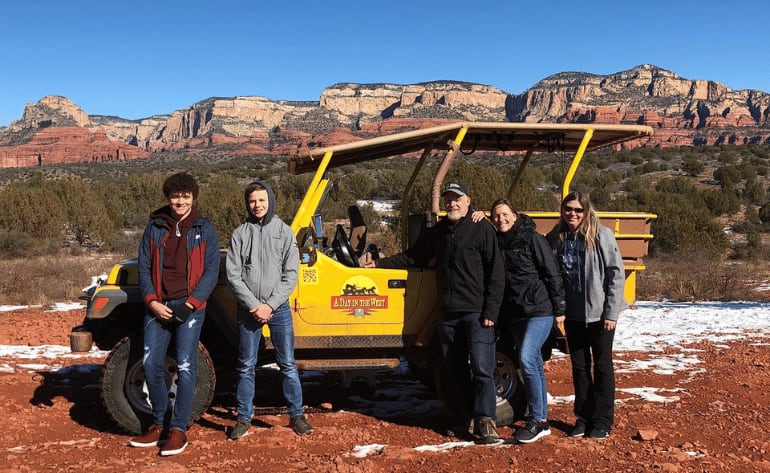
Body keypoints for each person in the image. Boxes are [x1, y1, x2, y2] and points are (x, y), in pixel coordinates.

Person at [366, 182, 505, 445]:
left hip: (476, 313)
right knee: (454, 370)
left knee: (482, 368)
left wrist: (491, 311)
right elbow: (414, 257)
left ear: (468, 201)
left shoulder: (482, 228)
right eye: (448, 200)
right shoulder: (439, 232)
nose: (452, 203)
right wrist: (380, 264)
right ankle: (464, 417)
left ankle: (486, 421)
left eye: (457, 199)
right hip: (448, 313)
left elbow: (496, 273)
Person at [131, 172, 220, 456]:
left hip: (190, 306)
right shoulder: (155, 227)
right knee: (151, 364)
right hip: (158, 304)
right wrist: (151, 301)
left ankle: (178, 430)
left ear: (193, 197)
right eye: (175, 195)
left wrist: (191, 303)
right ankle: (159, 423)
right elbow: (144, 267)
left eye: (185, 196)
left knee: (184, 365)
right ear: (168, 197)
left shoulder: (204, 228)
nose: (180, 201)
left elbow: (211, 271)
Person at [226, 179, 313, 440]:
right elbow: (233, 275)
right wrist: (254, 305)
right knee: (246, 365)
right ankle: (243, 418)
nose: (257, 205)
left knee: (286, 363)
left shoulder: (284, 232)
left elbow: (291, 274)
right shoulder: (240, 234)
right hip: (249, 309)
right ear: (247, 203)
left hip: (279, 308)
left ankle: (297, 415)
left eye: (262, 200)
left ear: (270, 201)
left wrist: (270, 305)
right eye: (253, 201)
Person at [474, 199, 566, 443]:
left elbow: (551, 272)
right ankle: (540, 416)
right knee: (532, 361)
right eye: (495, 216)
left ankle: (539, 419)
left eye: (504, 214)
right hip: (515, 314)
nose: (500, 219)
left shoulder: (531, 238)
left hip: (539, 310)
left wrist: (559, 309)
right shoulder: (498, 241)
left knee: (527, 357)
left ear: (515, 216)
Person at [546, 191, 626, 440]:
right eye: (568, 209)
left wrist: (611, 312)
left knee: (602, 367)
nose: (573, 214)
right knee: (579, 368)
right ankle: (583, 417)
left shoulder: (601, 234)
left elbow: (615, 273)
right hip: (573, 315)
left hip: (601, 315)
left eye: (578, 210)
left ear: (586, 211)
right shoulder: (556, 237)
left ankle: (602, 420)